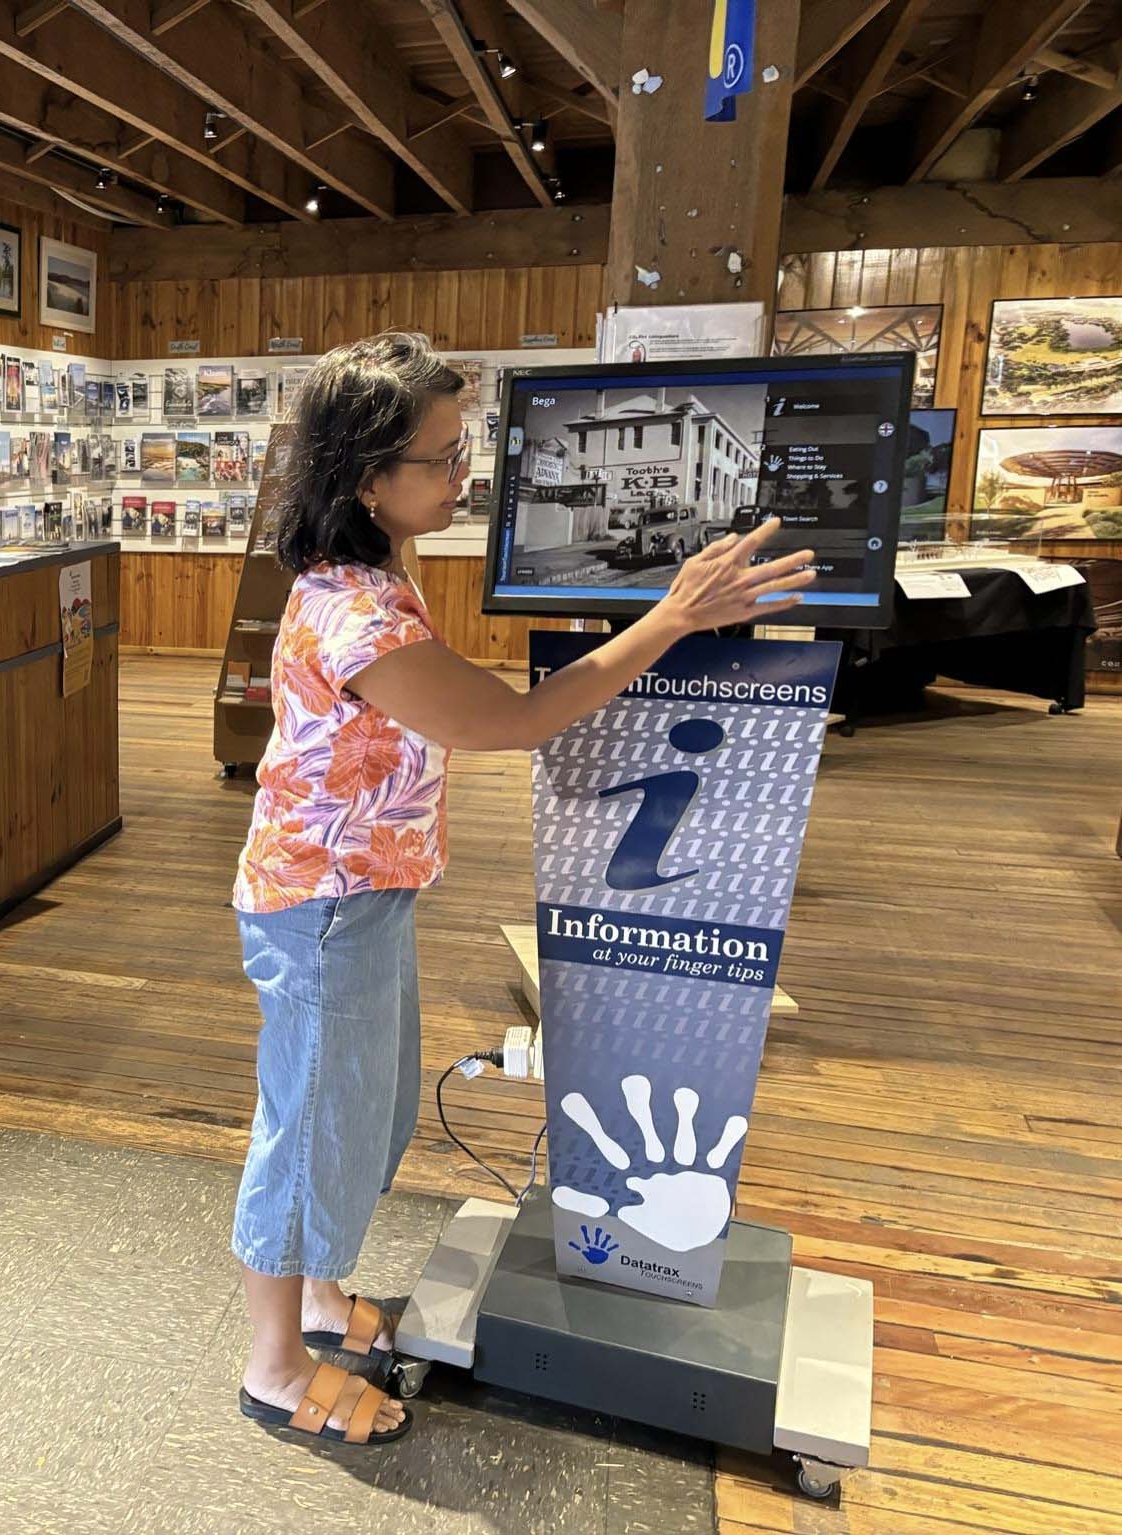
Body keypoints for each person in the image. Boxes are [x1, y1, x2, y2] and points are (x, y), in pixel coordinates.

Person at [229, 332, 816, 1446]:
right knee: (312, 1127)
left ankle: (312, 1299)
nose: (466, 479)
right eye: (444, 458)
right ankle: (271, 1361)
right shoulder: (357, 610)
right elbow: (506, 719)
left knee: (367, 1111)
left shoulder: (372, 571)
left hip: (359, 890)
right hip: (320, 902)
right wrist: (672, 614)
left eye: (466, 451)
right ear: (365, 475)